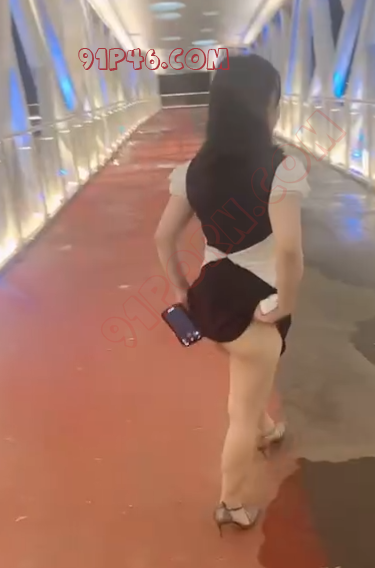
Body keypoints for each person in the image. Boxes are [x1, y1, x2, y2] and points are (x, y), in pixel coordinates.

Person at [155, 54, 309, 534]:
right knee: (240, 412)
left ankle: (268, 430)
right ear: (266, 106)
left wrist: (182, 288)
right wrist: (286, 303)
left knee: (245, 387)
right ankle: (232, 504)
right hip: (255, 307)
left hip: (210, 304)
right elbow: (289, 251)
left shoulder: (192, 170)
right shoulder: (281, 170)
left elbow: (163, 238)